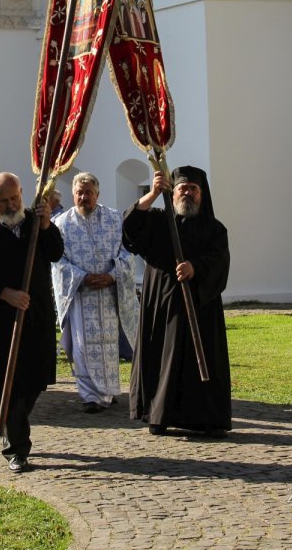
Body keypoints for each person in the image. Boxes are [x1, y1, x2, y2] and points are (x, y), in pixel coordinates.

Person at [0, 172, 62, 472]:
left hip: (36, 315)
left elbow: (56, 253)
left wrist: (46, 226)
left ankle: (12, 422)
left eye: (13, 198)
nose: (9, 204)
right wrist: (5, 293)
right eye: (2, 200)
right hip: (0, 321)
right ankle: (16, 448)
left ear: (21, 193)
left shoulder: (36, 221)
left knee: (31, 382)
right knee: (6, 385)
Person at [123, 166, 231, 437]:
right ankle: (159, 415)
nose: (188, 193)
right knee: (162, 356)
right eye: (182, 188)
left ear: (202, 195)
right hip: (162, 303)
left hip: (200, 307)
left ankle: (207, 419)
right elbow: (130, 229)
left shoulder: (215, 229)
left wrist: (196, 267)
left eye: (193, 189)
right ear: (173, 194)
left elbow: (220, 262)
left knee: (200, 361)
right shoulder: (158, 220)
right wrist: (151, 194)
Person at [52, 172, 139, 413]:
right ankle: (90, 395)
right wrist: (82, 277)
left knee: (108, 344)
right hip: (81, 294)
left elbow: (127, 253)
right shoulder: (62, 224)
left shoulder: (114, 219)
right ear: (73, 195)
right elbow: (57, 261)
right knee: (82, 346)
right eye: (79, 193)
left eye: (88, 192)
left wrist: (112, 275)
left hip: (109, 293)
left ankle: (108, 391)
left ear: (97, 194)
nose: (83, 197)